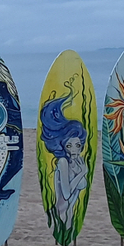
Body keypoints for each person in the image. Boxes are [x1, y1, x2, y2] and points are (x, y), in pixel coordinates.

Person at [40, 96, 89, 230]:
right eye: (69, 145)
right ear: (63, 146)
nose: (74, 149)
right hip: (59, 213)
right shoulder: (62, 162)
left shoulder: (78, 162)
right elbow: (66, 194)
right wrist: (82, 173)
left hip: (69, 214)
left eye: (78, 145)